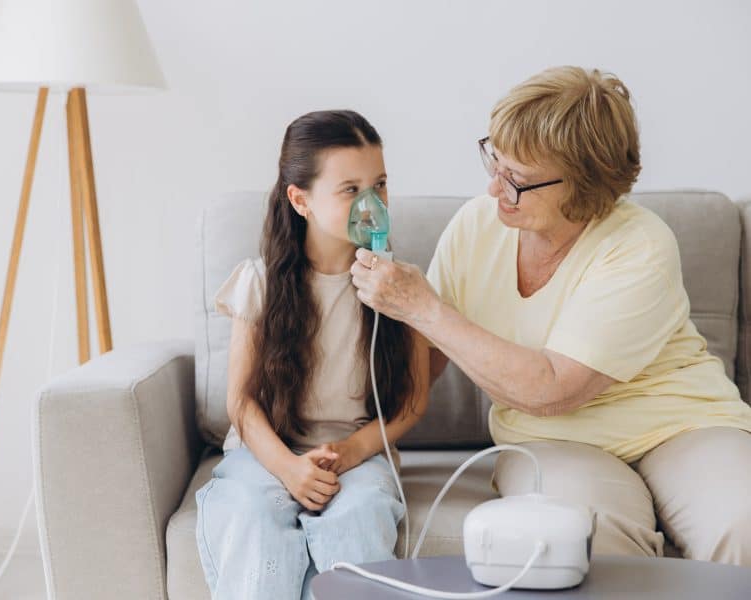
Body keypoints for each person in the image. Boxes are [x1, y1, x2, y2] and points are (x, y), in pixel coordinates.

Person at [350, 66, 751, 565]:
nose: (495, 191)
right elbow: (425, 368)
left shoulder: (640, 245)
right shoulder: (476, 227)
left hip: (683, 426)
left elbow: (552, 389)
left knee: (743, 526)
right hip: (555, 444)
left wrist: (422, 307)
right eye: (494, 162)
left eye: (516, 180)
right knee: (584, 539)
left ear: (584, 187)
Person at [195, 110, 430, 599]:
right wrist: (288, 468)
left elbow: (412, 401)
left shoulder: (402, 288)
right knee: (254, 519)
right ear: (300, 200)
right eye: (350, 189)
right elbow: (240, 402)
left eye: (380, 184)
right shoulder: (259, 283)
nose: (372, 203)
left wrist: (352, 451)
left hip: (358, 455)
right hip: (265, 453)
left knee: (360, 517)